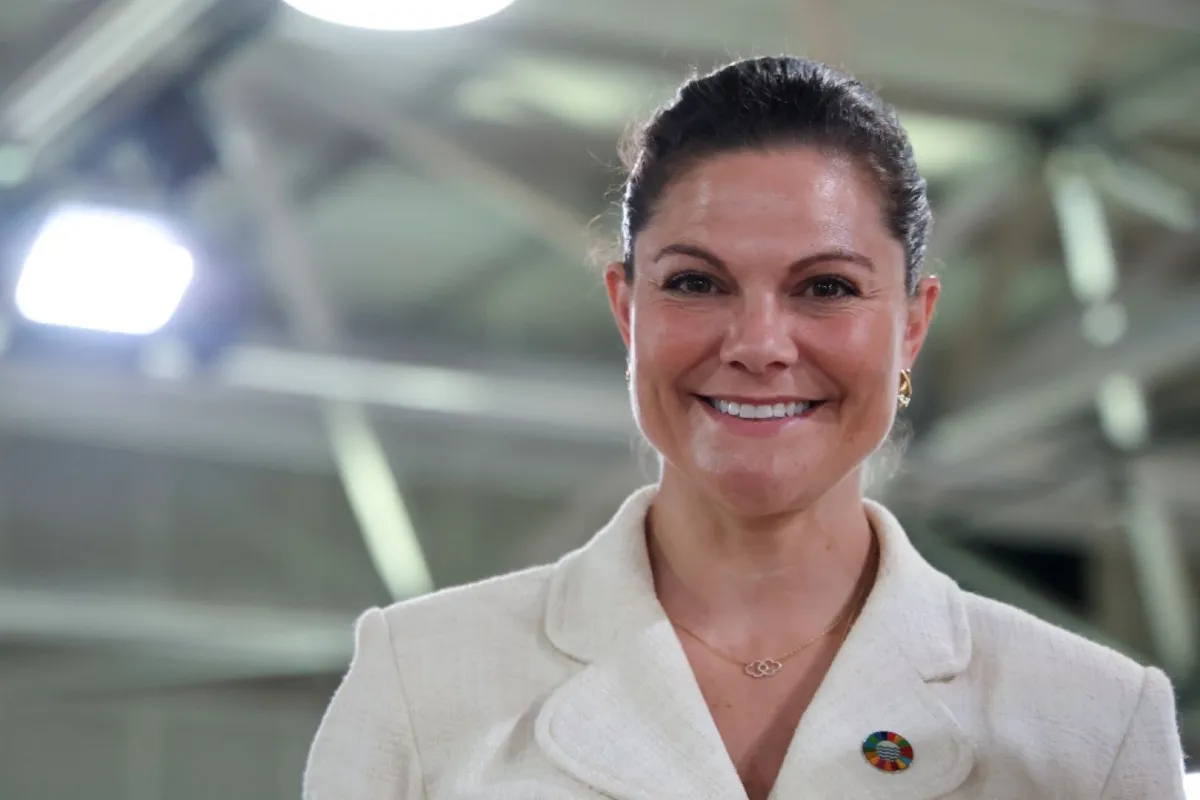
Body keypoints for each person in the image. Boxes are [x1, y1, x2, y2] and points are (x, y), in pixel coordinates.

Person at [303, 56, 1187, 799]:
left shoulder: (1091, 727)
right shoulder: (422, 685)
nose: (760, 345)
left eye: (826, 288)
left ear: (913, 324)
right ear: (627, 308)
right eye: (696, 283)